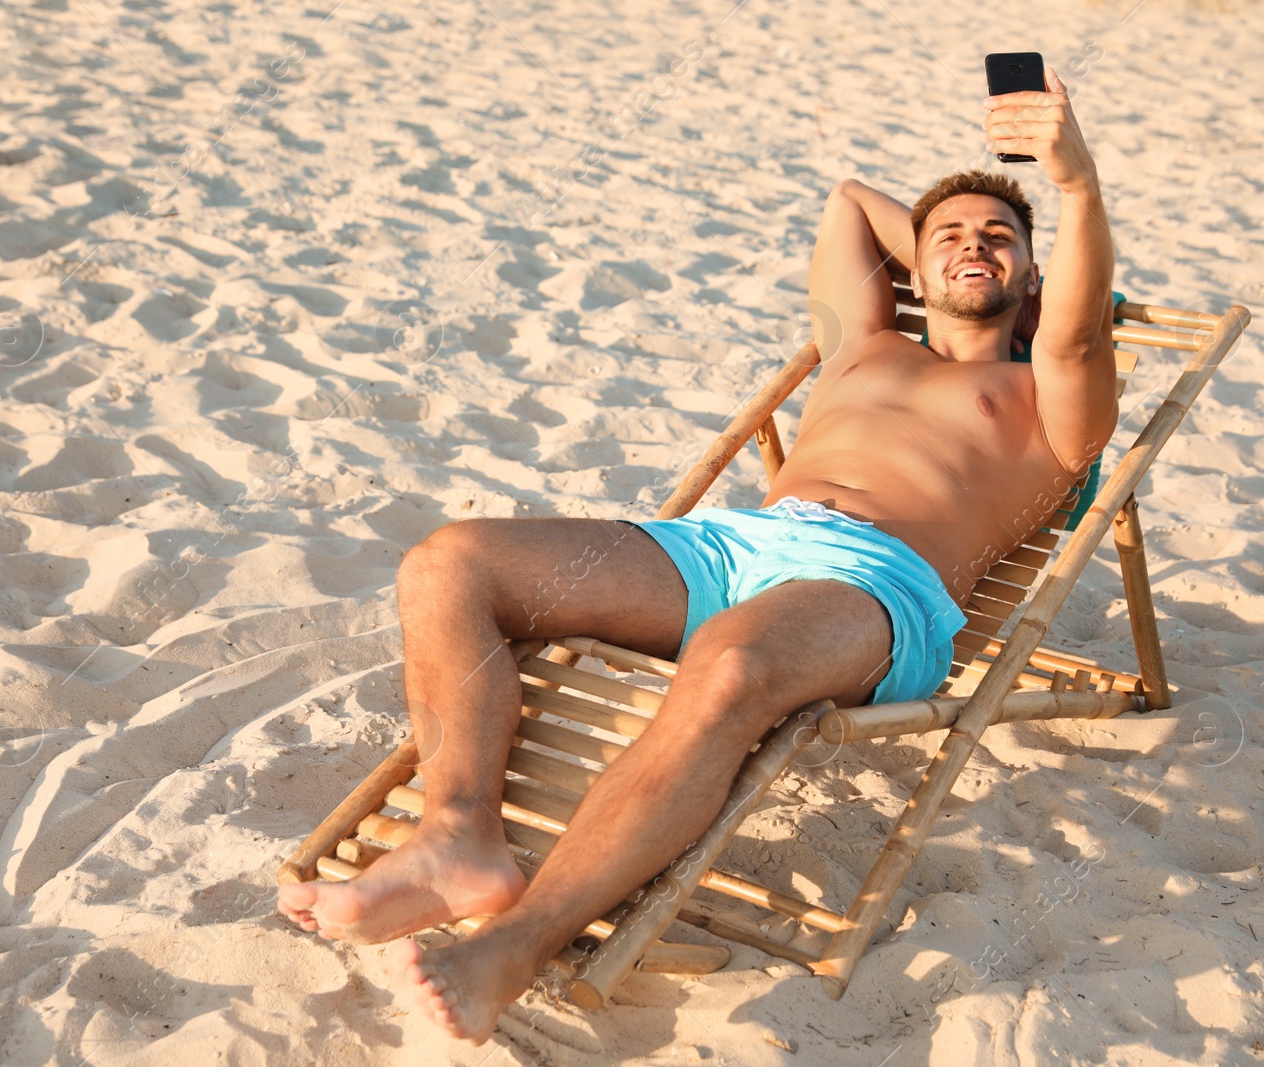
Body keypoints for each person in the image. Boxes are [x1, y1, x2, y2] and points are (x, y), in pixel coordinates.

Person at [277, 68, 1116, 1042]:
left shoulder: (1050, 403)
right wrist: (950, 227)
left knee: (732, 667)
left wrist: (1072, 188)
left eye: (998, 240)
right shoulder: (859, 344)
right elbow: (848, 198)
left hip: (873, 584)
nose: (974, 245)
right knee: (449, 562)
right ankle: (456, 833)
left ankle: (519, 940)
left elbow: (1080, 332)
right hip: (729, 545)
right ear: (911, 274)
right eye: (948, 240)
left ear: (1037, 280)